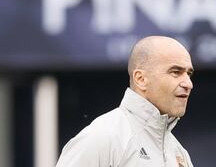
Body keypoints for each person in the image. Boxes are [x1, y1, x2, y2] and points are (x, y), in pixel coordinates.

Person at [56, 36, 195, 167]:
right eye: (175, 72)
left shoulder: (179, 153)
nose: (188, 84)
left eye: (188, 74)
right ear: (140, 79)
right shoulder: (102, 137)